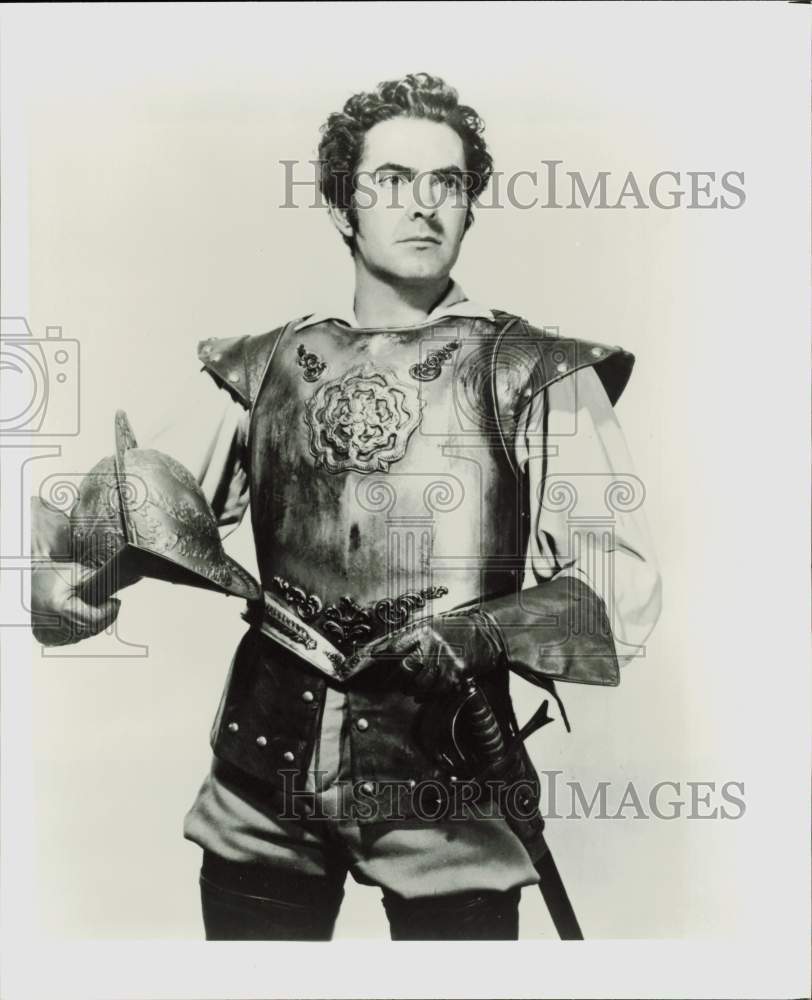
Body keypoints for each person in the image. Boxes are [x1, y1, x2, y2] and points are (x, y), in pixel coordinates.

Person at [30, 72, 662, 940]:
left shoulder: (534, 373)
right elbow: (142, 501)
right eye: (393, 181)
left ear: (471, 207)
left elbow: (615, 591)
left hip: (447, 780)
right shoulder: (265, 366)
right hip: (264, 779)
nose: (425, 205)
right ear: (341, 206)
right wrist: (69, 573)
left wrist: (481, 633)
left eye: (449, 183)